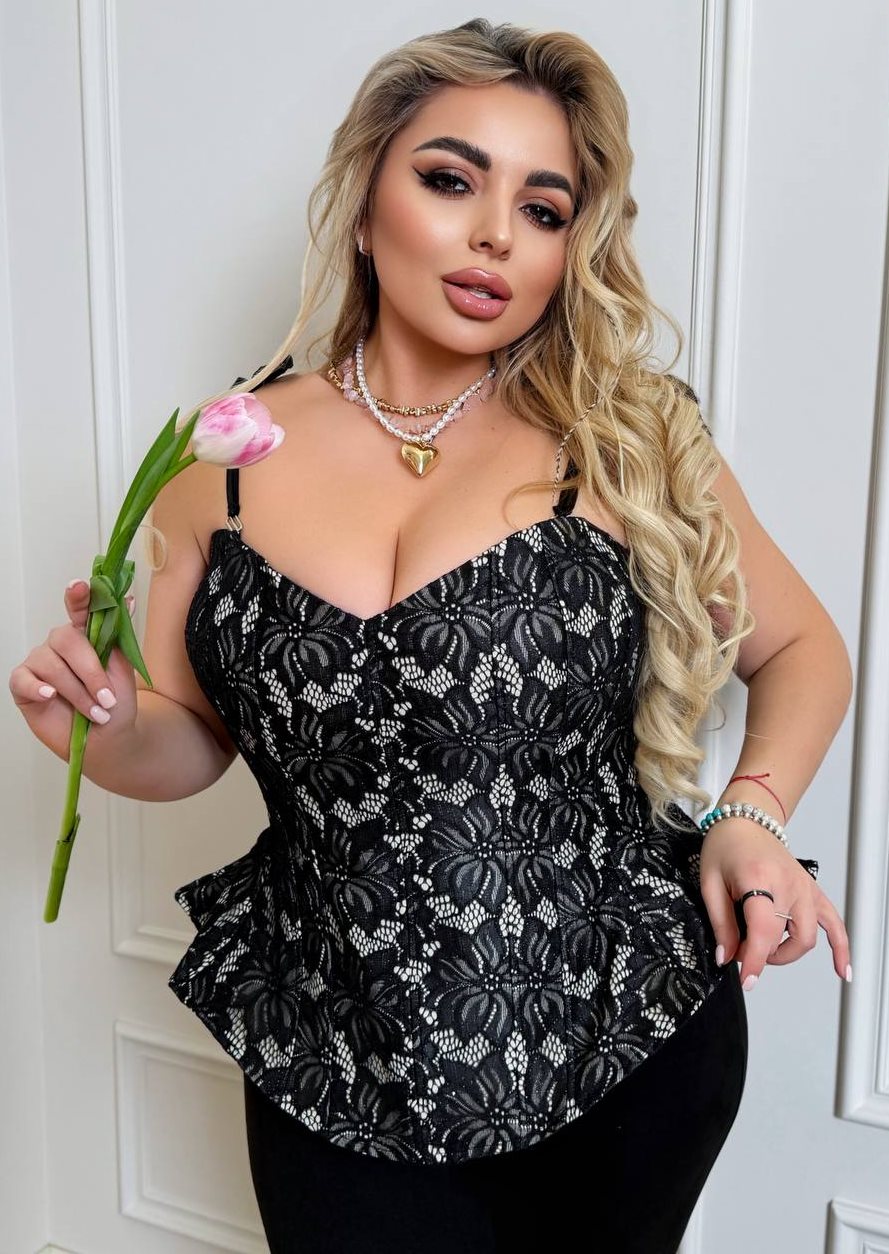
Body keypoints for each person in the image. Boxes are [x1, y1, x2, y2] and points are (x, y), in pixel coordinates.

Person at [11, 17, 854, 1254]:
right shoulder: (220, 463)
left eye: (544, 208)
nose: (496, 234)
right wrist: (99, 721)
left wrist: (753, 813)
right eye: (452, 180)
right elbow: (190, 739)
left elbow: (801, 648)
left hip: (623, 1030)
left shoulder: (625, 440)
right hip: (330, 1046)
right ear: (365, 202)